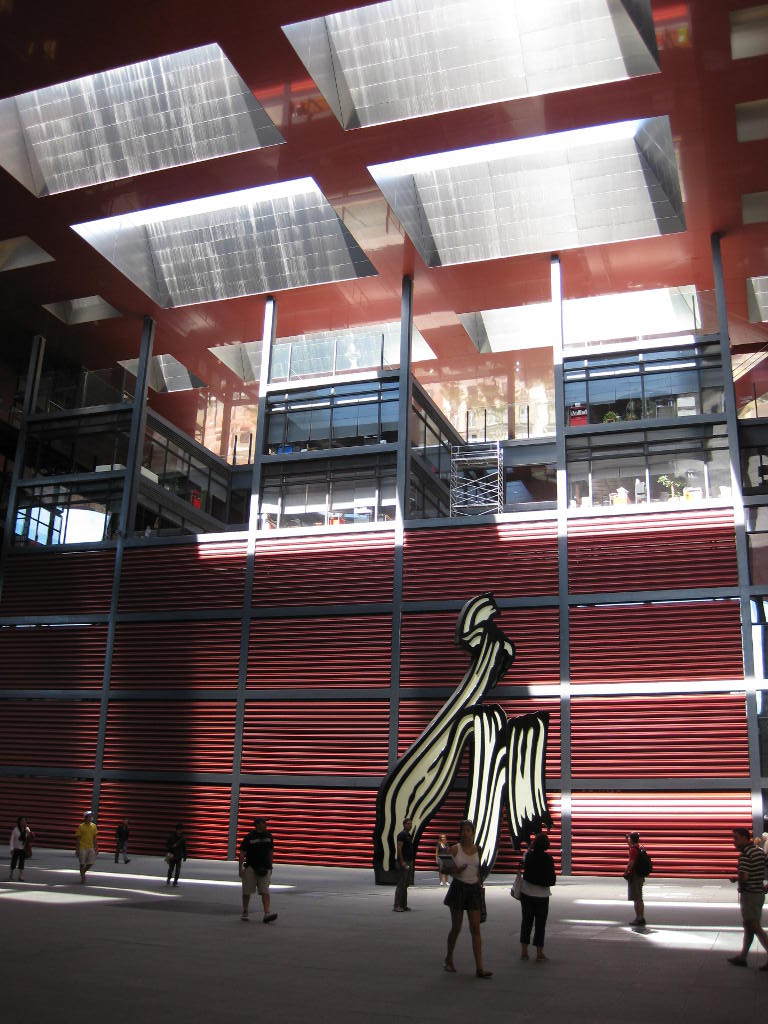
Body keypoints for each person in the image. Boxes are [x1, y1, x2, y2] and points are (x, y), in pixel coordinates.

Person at [443, 819, 492, 978]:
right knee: (456, 927)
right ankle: (449, 959)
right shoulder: (454, 849)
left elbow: (478, 870)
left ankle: (479, 967)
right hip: (458, 889)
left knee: (475, 928)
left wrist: (479, 885)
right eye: (463, 830)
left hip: (473, 890)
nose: (465, 833)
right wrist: (455, 869)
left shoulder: (478, 849)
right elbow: (444, 867)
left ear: (473, 833)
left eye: (468, 830)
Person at [727, 827, 768, 969]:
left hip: (749, 895)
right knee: (749, 927)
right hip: (759, 894)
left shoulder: (745, 854)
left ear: (745, 838)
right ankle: (743, 956)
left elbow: (744, 876)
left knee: (755, 926)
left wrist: (734, 878)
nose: (734, 841)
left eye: (736, 838)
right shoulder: (759, 851)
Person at [239, 817, 278, 923]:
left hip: (265, 868)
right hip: (250, 867)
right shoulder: (249, 837)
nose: (265, 824)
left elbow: (271, 851)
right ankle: (245, 911)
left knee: (265, 891)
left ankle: (267, 913)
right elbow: (242, 852)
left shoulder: (269, 836)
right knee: (247, 891)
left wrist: (270, 866)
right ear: (257, 824)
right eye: (263, 823)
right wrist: (240, 868)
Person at [623, 831, 646, 926]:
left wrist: (626, 871)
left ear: (632, 839)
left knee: (637, 898)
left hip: (635, 876)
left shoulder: (633, 849)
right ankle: (640, 917)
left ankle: (639, 918)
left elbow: (631, 862)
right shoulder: (640, 847)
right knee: (639, 897)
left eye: (629, 838)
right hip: (640, 875)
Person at [393, 816, 413, 912]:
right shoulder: (401, 835)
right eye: (408, 823)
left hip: (409, 861)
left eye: (411, 823)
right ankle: (397, 905)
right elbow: (399, 849)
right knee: (401, 884)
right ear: (404, 825)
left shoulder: (408, 835)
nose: (410, 825)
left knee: (405, 884)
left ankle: (403, 905)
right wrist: (402, 862)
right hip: (403, 862)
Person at [76, 810, 98, 883]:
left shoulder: (94, 826)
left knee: (90, 863)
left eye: (91, 816)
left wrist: (96, 848)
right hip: (82, 847)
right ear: (85, 817)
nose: (91, 817)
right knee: (82, 863)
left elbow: (95, 838)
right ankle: (83, 877)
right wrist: (77, 849)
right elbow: (78, 839)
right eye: (89, 816)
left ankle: (83, 872)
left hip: (90, 847)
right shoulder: (81, 826)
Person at [9, 816, 32, 881]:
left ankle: (20, 876)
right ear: (19, 822)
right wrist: (11, 848)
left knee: (21, 862)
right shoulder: (15, 829)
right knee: (14, 862)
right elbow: (11, 839)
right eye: (22, 821)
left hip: (23, 848)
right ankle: (11, 874)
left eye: (24, 821)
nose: (23, 822)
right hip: (16, 848)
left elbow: (29, 838)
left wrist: (28, 833)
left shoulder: (27, 829)